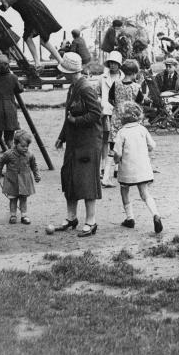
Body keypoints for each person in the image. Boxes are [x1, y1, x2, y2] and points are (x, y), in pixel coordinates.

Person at [53, 52, 103, 237]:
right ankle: (71, 217)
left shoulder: (85, 88)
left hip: (88, 143)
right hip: (74, 142)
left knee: (87, 181)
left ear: (72, 72)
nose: (63, 75)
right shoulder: (73, 87)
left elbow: (96, 114)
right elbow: (69, 115)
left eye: (65, 72)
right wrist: (62, 136)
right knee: (70, 178)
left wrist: (76, 121)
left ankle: (91, 221)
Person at [113, 101, 163, 233]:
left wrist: (116, 161)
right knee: (145, 193)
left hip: (127, 169)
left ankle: (130, 218)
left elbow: (117, 152)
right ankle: (155, 214)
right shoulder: (142, 129)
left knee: (124, 190)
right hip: (143, 168)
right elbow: (152, 145)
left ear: (122, 117)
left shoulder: (121, 132)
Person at [0, 129, 40, 225]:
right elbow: (1, 162)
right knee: (13, 199)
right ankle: (13, 215)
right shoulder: (8, 154)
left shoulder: (30, 155)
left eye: (27, 146)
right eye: (22, 146)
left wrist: (36, 175)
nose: (25, 148)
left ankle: (24, 215)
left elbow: (34, 165)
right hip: (12, 181)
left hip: (24, 181)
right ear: (15, 143)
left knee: (23, 199)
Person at [0, 55, 25, 156]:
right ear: (8, 65)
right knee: (9, 140)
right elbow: (20, 89)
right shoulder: (13, 78)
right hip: (10, 108)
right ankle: (13, 160)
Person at [99, 51, 123, 186]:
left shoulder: (123, 78)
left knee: (118, 140)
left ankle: (117, 167)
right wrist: (100, 102)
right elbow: (96, 91)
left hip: (118, 112)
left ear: (119, 65)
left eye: (115, 63)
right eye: (111, 63)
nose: (113, 66)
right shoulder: (102, 77)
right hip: (106, 111)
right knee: (105, 139)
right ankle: (104, 166)